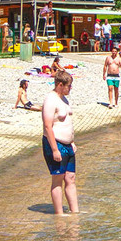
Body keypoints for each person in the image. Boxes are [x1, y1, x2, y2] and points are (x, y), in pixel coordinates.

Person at [42, 68, 78, 215]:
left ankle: (75, 212)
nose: (70, 88)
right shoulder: (50, 100)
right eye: (68, 86)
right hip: (55, 144)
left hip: (68, 145)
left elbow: (67, 122)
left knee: (70, 177)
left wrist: (72, 142)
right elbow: (47, 126)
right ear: (60, 85)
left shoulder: (64, 98)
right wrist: (55, 149)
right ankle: (59, 214)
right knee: (58, 178)